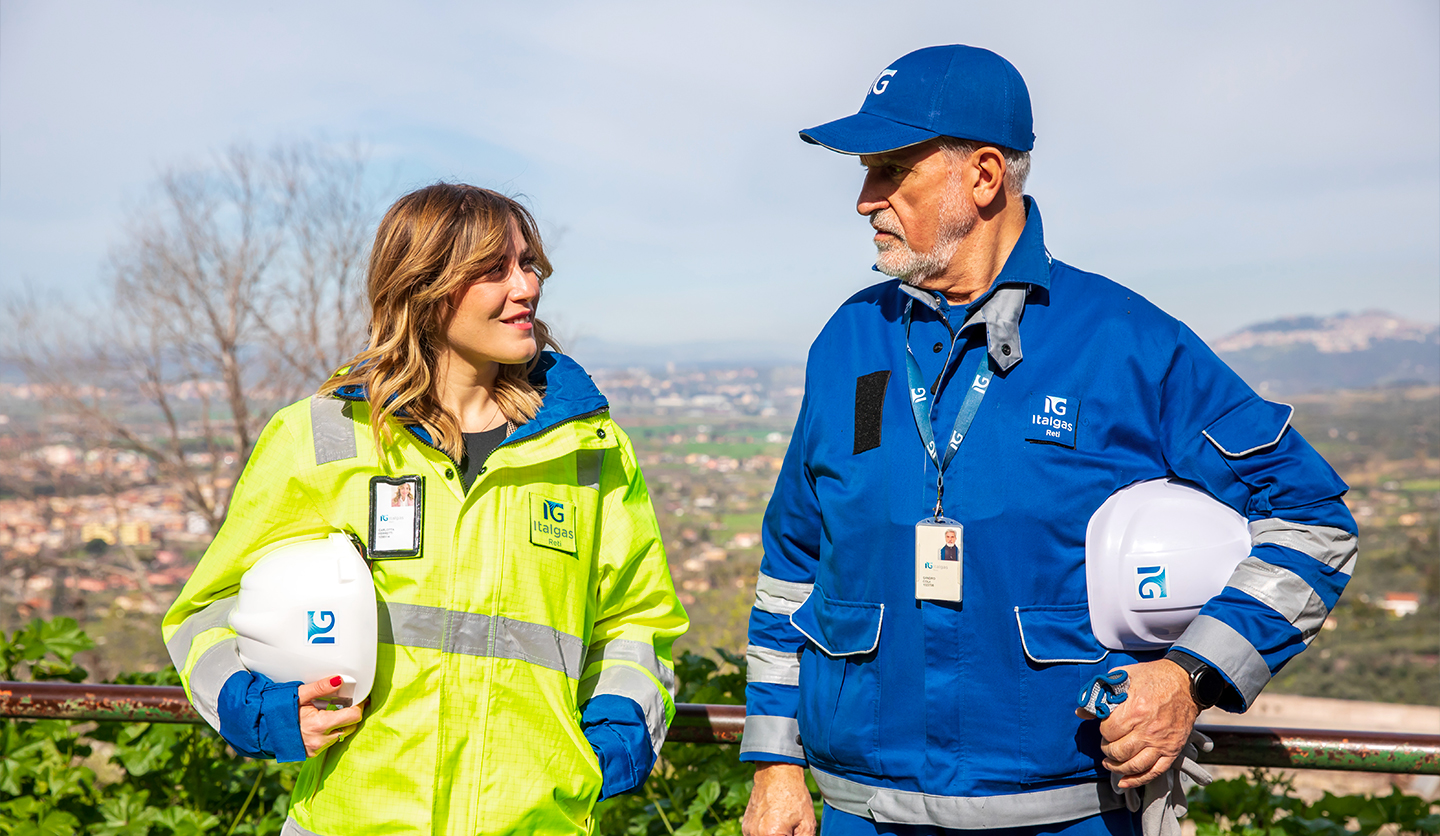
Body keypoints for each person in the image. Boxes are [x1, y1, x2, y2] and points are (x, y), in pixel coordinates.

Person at [739, 45, 1355, 836]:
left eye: (890, 169)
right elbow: (791, 570)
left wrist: (1189, 676)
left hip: (1072, 814)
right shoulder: (846, 345)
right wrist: (776, 764)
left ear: (985, 176)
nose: (866, 200)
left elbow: (1313, 520)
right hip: (861, 810)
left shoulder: (1126, 341)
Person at [162, 184, 688, 835]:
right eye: (495, 270)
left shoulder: (589, 450)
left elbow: (636, 620)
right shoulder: (322, 437)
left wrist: (611, 740)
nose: (526, 287)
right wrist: (262, 710)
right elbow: (207, 611)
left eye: (530, 266)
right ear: (426, 286)